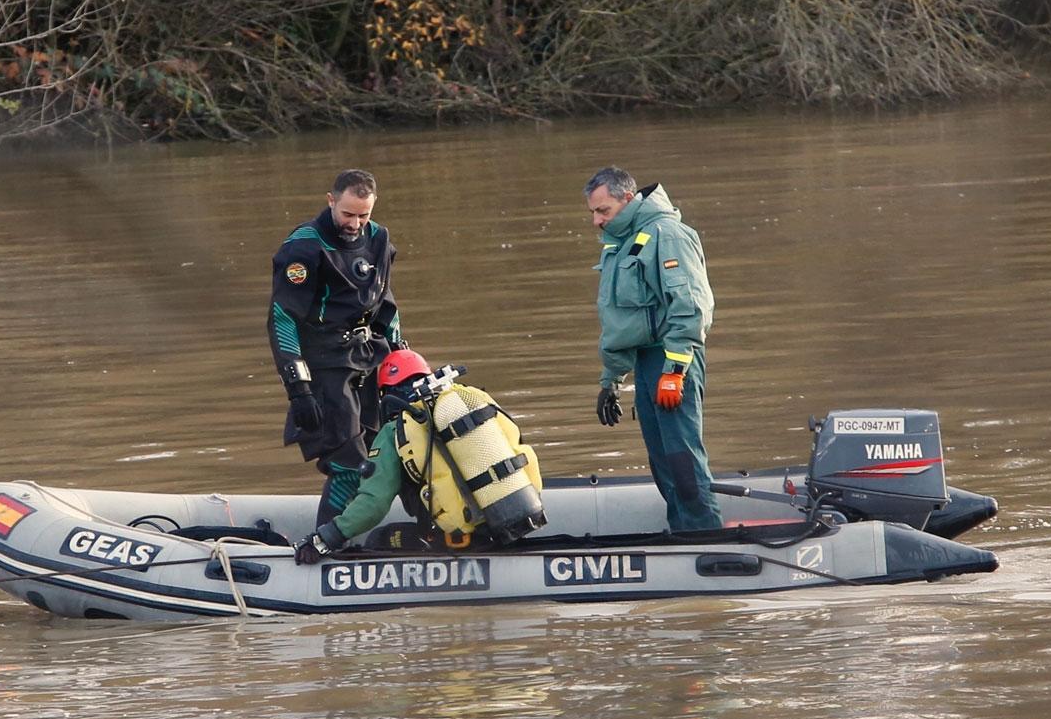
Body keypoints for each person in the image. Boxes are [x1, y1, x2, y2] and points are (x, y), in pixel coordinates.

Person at [293, 349, 545, 564]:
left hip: (454, 542)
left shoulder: (397, 430)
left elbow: (373, 505)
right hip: (503, 527)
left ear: (386, 395)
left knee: (380, 538)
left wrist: (324, 539)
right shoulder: (462, 408)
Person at [584, 166, 722, 531]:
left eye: (604, 211)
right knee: (661, 459)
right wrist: (610, 380)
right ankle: (681, 528)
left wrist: (675, 372)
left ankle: (705, 534)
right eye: (594, 213)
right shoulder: (622, 243)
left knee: (681, 456)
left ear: (627, 200)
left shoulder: (667, 234)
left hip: (672, 357)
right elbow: (622, 322)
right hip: (646, 361)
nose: (597, 221)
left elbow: (691, 307)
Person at [268, 169, 404, 525]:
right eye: (347, 213)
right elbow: (282, 318)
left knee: (382, 454)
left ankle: (365, 534)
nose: (355, 223)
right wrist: (298, 388)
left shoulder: (378, 239)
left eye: (364, 215)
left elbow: (386, 305)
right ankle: (325, 546)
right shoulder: (304, 249)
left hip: (369, 358)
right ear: (331, 201)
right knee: (348, 466)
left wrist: (402, 357)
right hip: (325, 365)